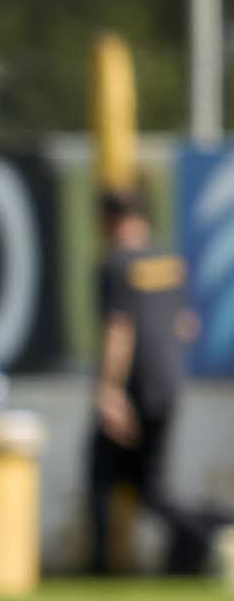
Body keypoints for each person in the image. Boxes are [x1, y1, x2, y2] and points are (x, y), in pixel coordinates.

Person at [84, 187, 214, 576]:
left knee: (100, 477)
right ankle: (201, 538)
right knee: (152, 488)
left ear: (107, 220)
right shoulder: (169, 262)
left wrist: (110, 391)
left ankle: (102, 569)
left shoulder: (115, 264)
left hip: (133, 388)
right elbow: (186, 326)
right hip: (168, 383)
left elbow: (119, 329)